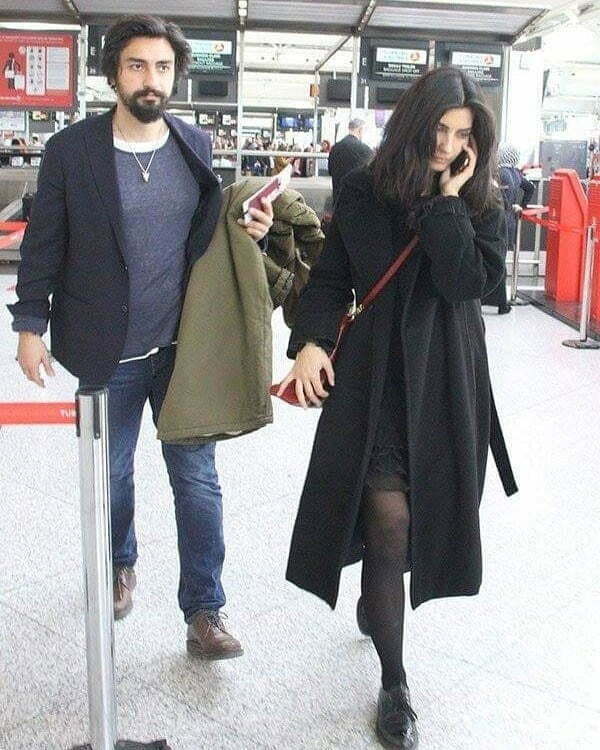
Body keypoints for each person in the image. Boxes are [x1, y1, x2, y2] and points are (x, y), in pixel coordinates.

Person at [9, 15, 273, 660]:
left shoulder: (193, 144)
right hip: (107, 350)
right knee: (113, 474)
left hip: (183, 350)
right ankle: (119, 563)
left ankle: (204, 608)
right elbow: (44, 243)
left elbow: (208, 232)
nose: (150, 79)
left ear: (175, 76)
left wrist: (251, 229)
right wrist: (29, 325)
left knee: (198, 481)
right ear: (113, 75)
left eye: (161, 67)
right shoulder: (72, 150)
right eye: (136, 66)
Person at [277, 66, 517, 748]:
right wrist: (311, 342)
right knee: (389, 522)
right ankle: (394, 681)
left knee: (420, 522)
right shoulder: (363, 190)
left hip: (446, 376)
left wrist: (448, 201)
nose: (447, 144)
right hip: (376, 375)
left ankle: (378, 594)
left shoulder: (479, 198)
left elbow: (469, 283)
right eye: (439, 129)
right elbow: (332, 279)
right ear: (414, 123)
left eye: (462, 134)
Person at [483, 143, 535, 313]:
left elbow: (500, 196)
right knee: (500, 259)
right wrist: (521, 205)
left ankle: (494, 300)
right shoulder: (516, 173)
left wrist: (508, 205)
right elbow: (530, 188)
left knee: (492, 259)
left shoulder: (499, 173)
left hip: (497, 221)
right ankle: (500, 302)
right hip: (510, 221)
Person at [328, 117, 373, 201]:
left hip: (338, 198)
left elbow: (330, 171)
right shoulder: (365, 150)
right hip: (357, 200)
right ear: (360, 130)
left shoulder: (335, 148)